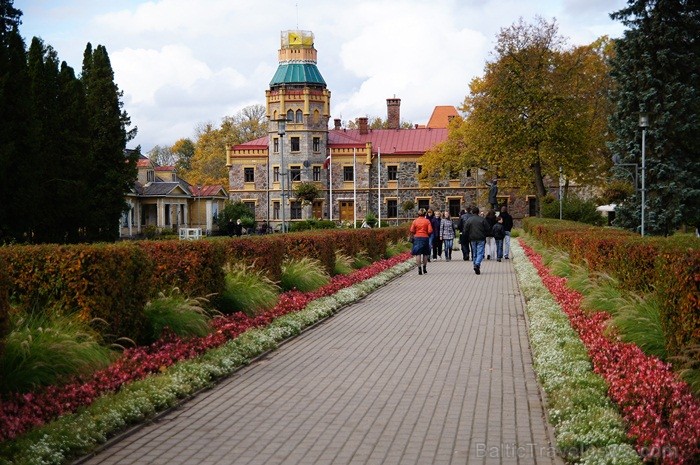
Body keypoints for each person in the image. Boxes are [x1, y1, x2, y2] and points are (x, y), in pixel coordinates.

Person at [462, 206, 490, 275]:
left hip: (472, 238)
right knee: (480, 252)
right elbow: (488, 228)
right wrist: (485, 234)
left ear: (472, 212)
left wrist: (467, 236)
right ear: (478, 212)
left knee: (474, 253)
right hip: (481, 238)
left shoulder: (469, 220)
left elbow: (465, 229)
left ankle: (475, 265)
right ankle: (477, 264)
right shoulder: (482, 219)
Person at [410, 208, 432, 275]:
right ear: (425, 214)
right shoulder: (427, 221)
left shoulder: (415, 221)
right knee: (425, 253)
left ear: (418, 214)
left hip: (417, 238)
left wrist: (416, 232)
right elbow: (430, 230)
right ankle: (424, 268)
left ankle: (419, 269)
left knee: (418, 253)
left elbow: (411, 230)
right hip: (425, 238)